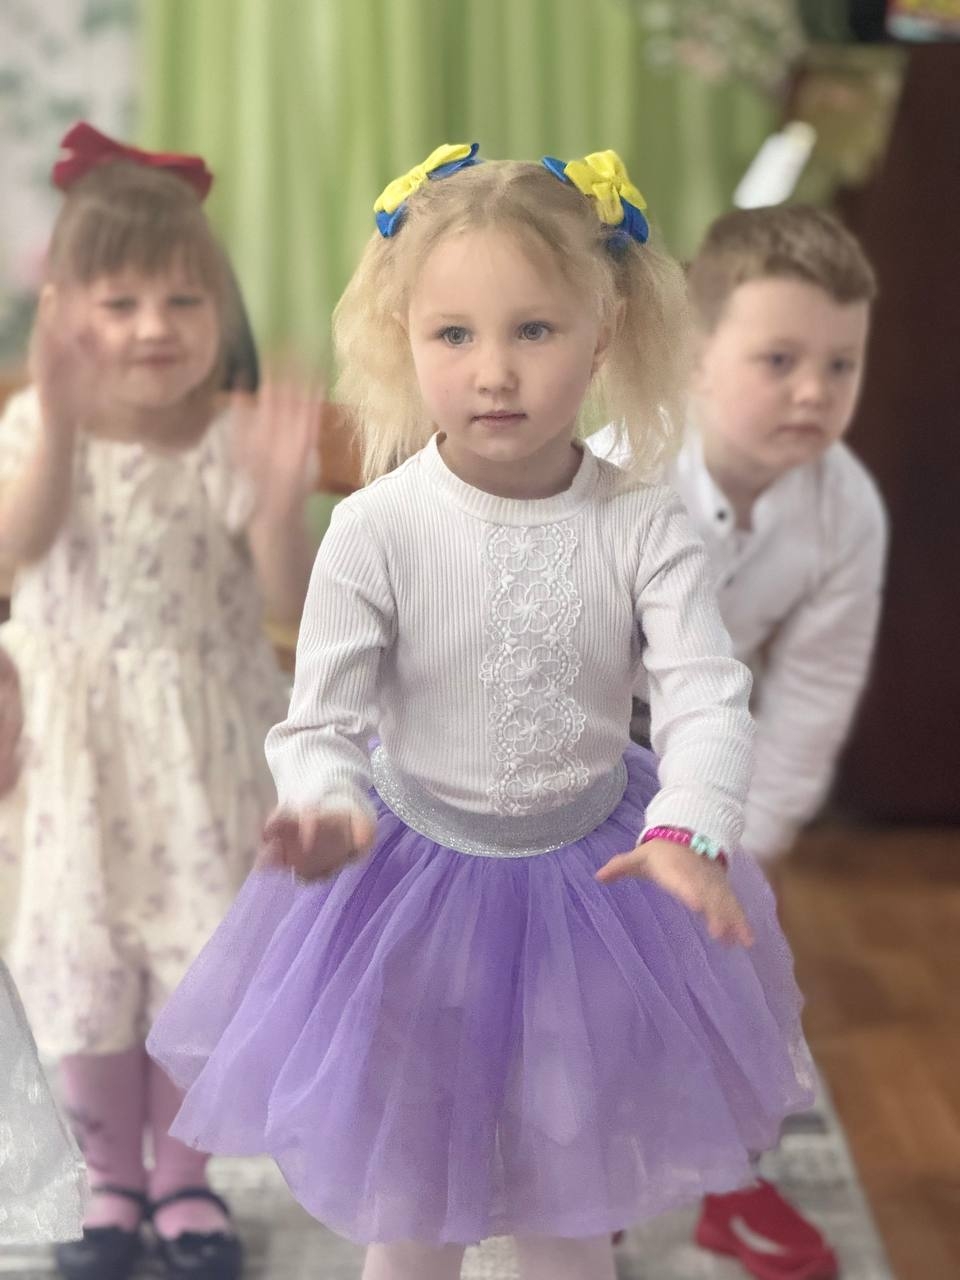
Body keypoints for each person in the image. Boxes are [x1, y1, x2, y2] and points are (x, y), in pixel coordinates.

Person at [148, 145, 815, 1280]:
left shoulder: (643, 524)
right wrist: (327, 806)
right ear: (404, 338)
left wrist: (690, 825)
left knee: (569, 1193)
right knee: (412, 1194)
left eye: (534, 330)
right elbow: (320, 723)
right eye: (453, 334)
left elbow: (706, 692)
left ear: (601, 337)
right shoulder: (376, 529)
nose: (494, 372)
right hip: (411, 890)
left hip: (598, 885)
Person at [0, 121, 321, 1280]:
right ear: (62, 316)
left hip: (204, 750)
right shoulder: (35, 427)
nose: (154, 328)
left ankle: (185, 1176)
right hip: (74, 756)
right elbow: (16, 548)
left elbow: (291, 604)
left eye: (184, 301)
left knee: (196, 966)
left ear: (219, 313)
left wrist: (279, 508)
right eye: (121, 302)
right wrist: (57, 417)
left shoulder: (230, 437)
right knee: (87, 966)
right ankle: (106, 1175)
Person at [592, 203, 886, 1280]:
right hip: (583, 743)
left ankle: (724, 1172)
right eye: (780, 360)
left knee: (732, 974)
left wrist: (744, 844)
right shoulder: (621, 472)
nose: (815, 391)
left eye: (841, 364)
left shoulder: (845, 509)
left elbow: (817, 686)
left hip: (715, 746)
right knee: (595, 980)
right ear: (693, 360)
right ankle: (586, 1175)